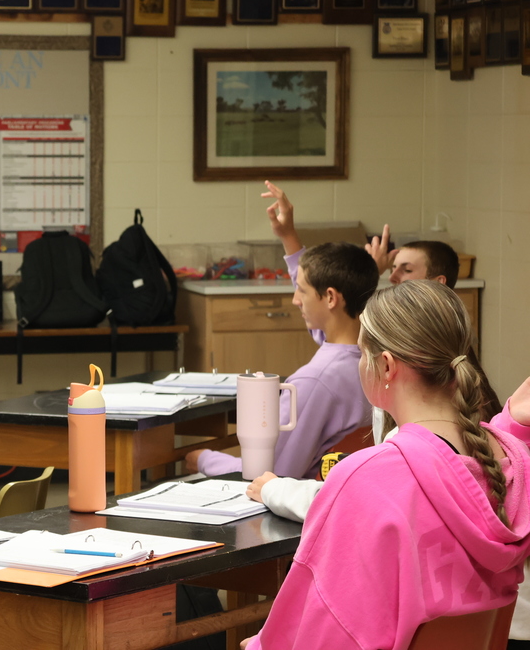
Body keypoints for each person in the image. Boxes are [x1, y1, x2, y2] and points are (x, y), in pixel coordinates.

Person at [241, 280, 530, 650]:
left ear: (387, 366)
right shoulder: (510, 464)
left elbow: (330, 628)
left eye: (363, 353)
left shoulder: (366, 478)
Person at [185, 182, 380, 479]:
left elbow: (269, 473)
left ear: (330, 297)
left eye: (301, 290)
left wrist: (203, 459)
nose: (294, 299)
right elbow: (322, 315)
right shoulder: (372, 356)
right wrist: (288, 237)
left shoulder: (315, 380)